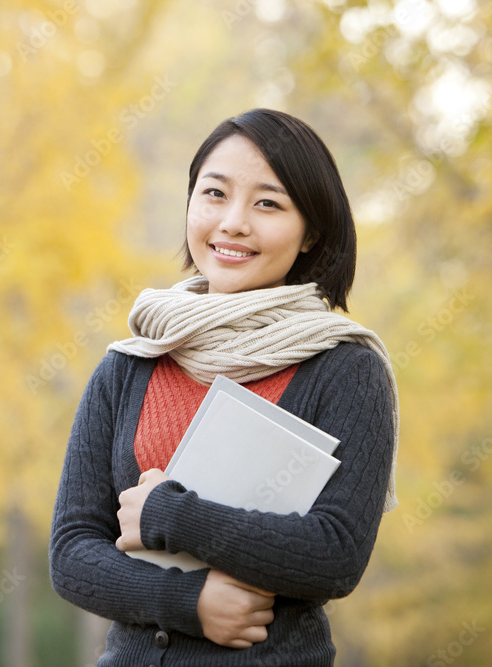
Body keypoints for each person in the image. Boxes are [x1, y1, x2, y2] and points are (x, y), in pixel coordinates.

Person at [49, 108, 399, 666]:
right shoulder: (129, 366)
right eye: (214, 194)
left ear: (311, 231)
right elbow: (71, 554)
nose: (234, 222)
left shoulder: (345, 369)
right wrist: (188, 601)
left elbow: (336, 555)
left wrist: (173, 516)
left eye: (268, 203)